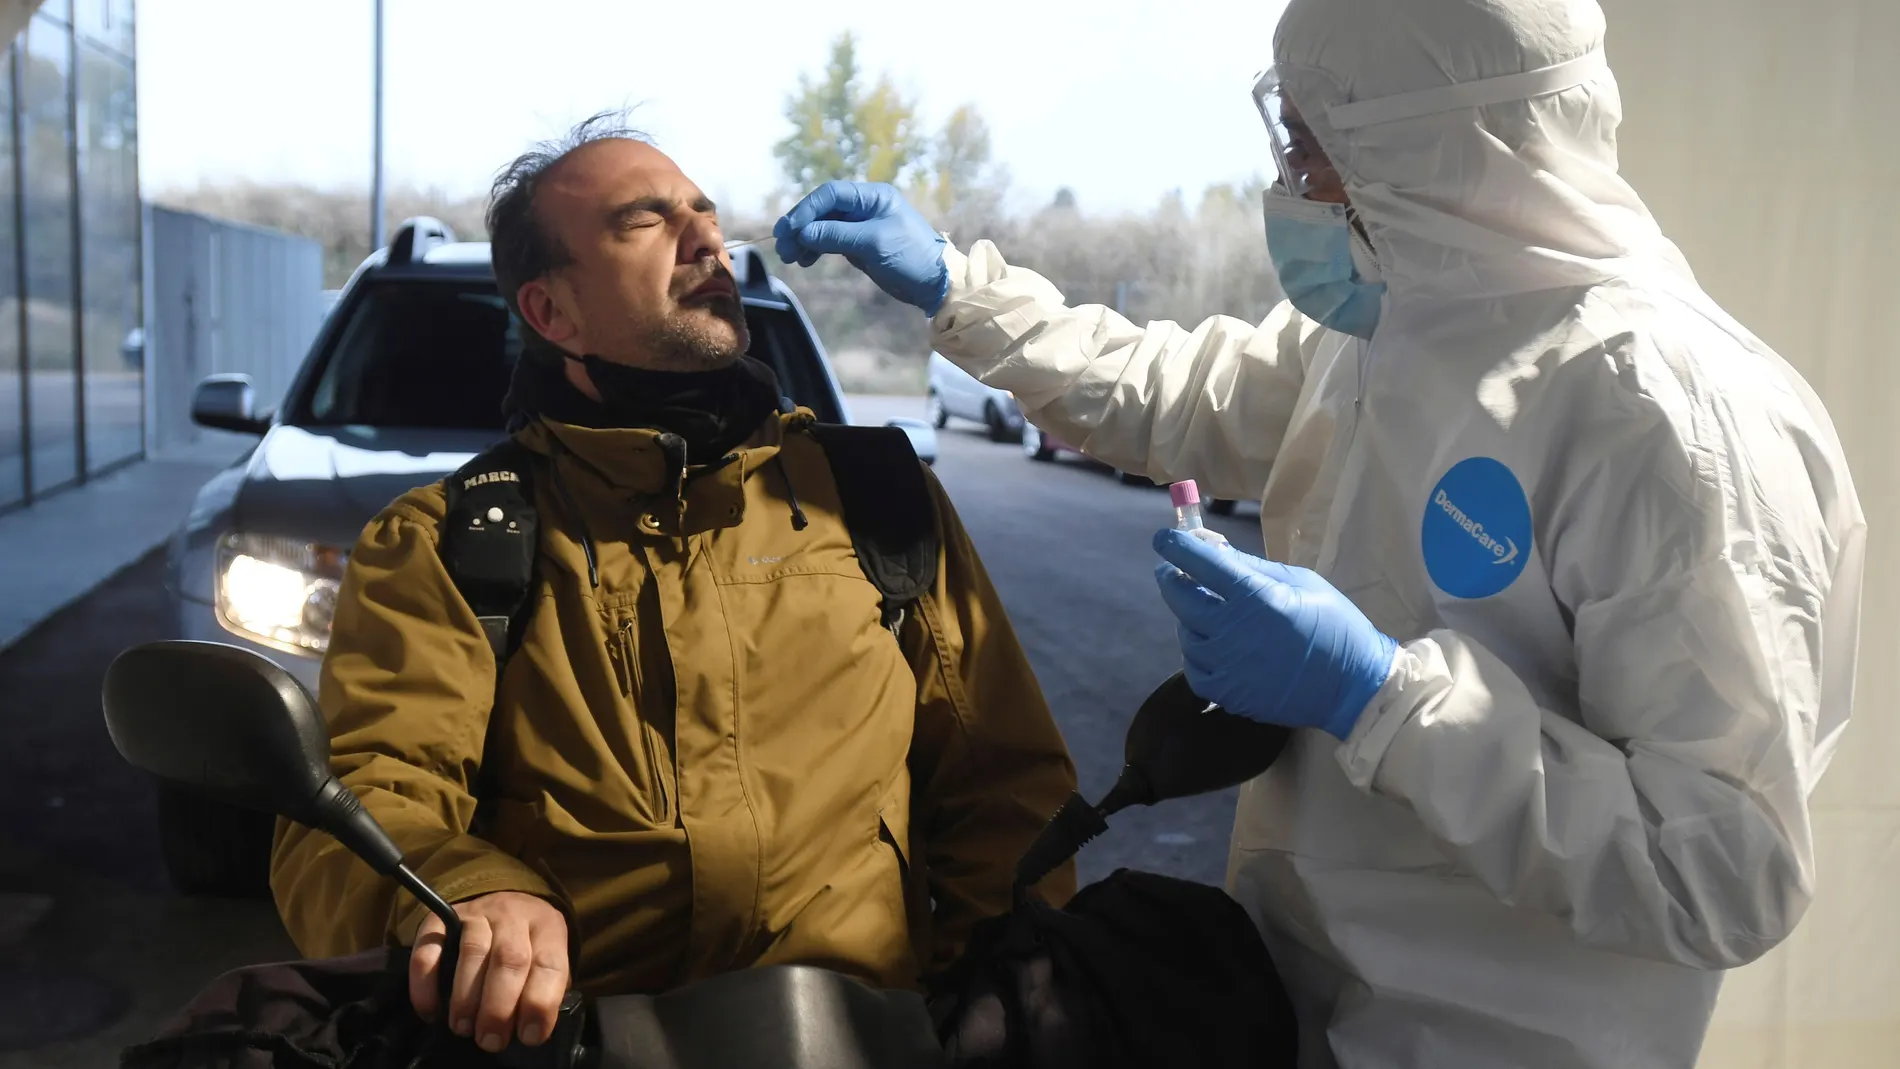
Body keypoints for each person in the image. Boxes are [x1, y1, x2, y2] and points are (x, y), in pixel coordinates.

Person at [769, 0, 1868, 1065]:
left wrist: (1380, 695)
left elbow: (1720, 868)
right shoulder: (1388, 325)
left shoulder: (1666, 419)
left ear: (1442, 148)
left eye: (1312, 143)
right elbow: (1175, 392)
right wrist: (962, 290)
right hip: (1301, 996)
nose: (1290, 181)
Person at [269, 115, 1078, 1054]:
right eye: (642, 222)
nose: (706, 236)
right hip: (582, 1043)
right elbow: (356, 807)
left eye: (704, 212)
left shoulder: (875, 493)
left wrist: (989, 1000)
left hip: (867, 1036)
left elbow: (1006, 787)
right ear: (552, 313)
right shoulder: (448, 544)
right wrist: (465, 885)